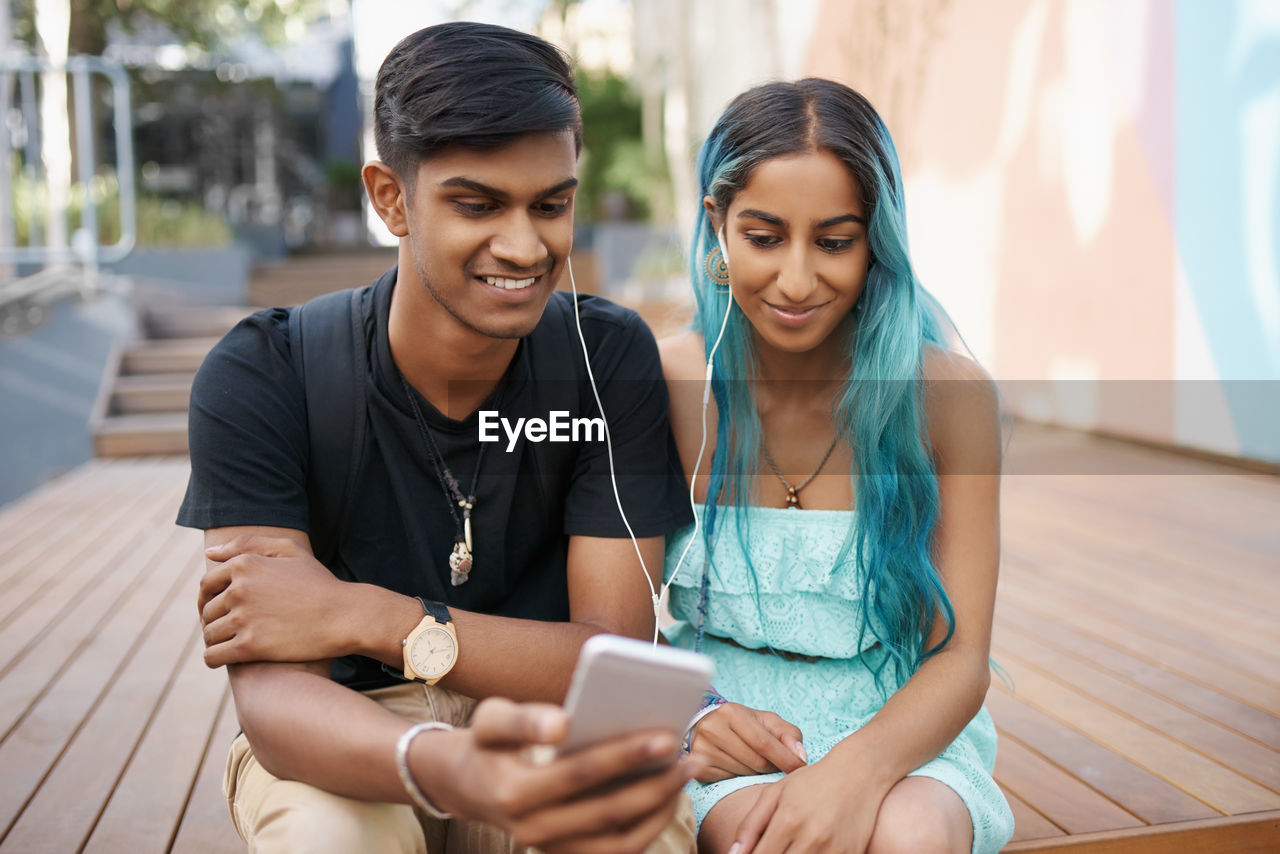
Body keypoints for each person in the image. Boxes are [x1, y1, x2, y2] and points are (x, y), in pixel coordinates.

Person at [180, 22, 700, 854]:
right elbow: (275, 700)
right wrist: (450, 765)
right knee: (330, 840)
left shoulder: (605, 360)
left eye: (551, 204)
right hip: (347, 732)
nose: (526, 246)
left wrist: (366, 615)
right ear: (391, 198)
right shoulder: (265, 373)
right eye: (478, 204)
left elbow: (612, 659)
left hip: (548, 727)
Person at [658, 79, 1016, 854]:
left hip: (904, 725)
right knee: (764, 840)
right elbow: (609, 621)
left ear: (875, 240)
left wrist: (855, 772)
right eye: (763, 237)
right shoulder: (666, 385)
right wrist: (698, 718)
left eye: (833, 241)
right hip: (730, 729)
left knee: (913, 834)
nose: (795, 280)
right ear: (718, 224)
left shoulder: (947, 399)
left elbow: (961, 659)